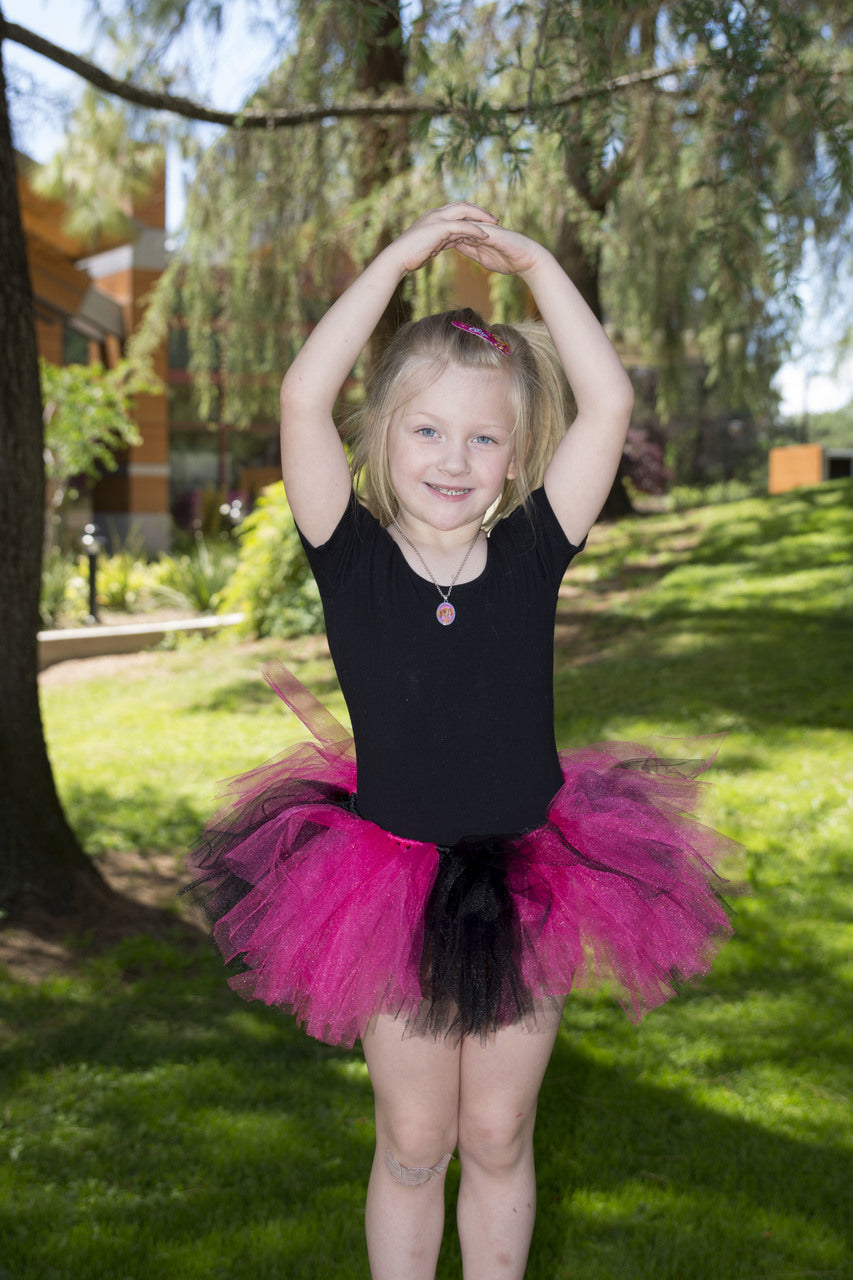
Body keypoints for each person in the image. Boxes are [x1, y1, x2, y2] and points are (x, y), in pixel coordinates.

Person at [186, 203, 734, 1280]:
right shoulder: (348, 552)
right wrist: (396, 261)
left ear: (516, 454)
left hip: (534, 877)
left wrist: (532, 266)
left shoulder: (534, 550)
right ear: (382, 433)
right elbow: (303, 393)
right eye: (427, 429)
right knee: (414, 1139)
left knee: (495, 1133)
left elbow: (608, 398)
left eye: (485, 437)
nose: (455, 457)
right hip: (383, 886)